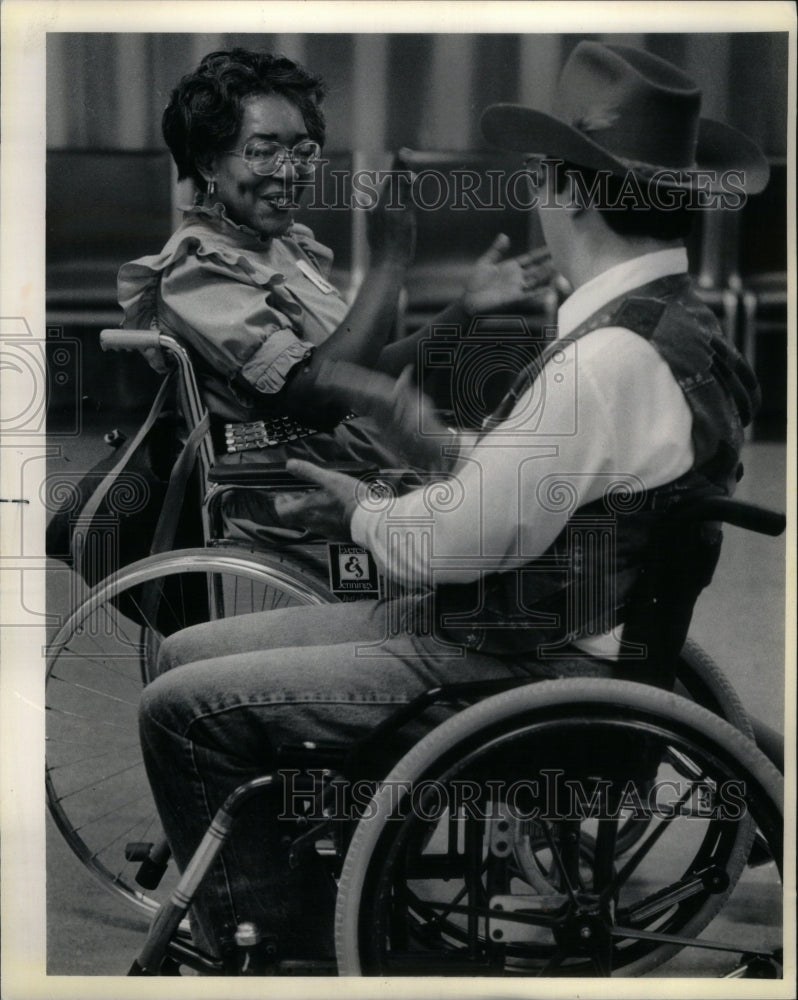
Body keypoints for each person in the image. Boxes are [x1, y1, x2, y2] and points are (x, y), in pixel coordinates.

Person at [138, 42, 768, 971]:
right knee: (194, 651)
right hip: (551, 625)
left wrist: (359, 512)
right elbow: (556, 484)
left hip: (498, 660)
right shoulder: (684, 328)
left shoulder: (603, 359)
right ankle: (305, 870)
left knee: (177, 705)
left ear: (571, 191)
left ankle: (272, 942)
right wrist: (425, 445)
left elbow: (455, 543)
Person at [117, 48, 550, 541]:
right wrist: (389, 262)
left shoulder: (283, 247)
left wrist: (465, 309)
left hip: (345, 459)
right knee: (499, 529)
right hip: (289, 489)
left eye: (302, 151)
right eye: (262, 151)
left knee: (516, 510)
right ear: (208, 162)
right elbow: (315, 397)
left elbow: (354, 368)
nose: (288, 172)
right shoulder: (195, 269)